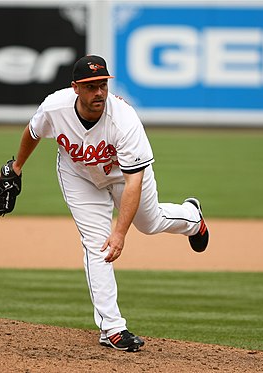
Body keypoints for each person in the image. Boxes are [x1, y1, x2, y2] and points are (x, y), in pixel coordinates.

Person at [11, 55, 209, 352]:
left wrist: (120, 232)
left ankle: (192, 217)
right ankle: (112, 328)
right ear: (76, 87)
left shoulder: (124, 119)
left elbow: (133, 182)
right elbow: (33, 132)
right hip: (77, 174)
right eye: (91, 86)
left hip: (123, 175)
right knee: (96, 245)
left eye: (102, 84)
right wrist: (17, 167)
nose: (99, 93)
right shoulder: (55, 106)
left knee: (149, 223)